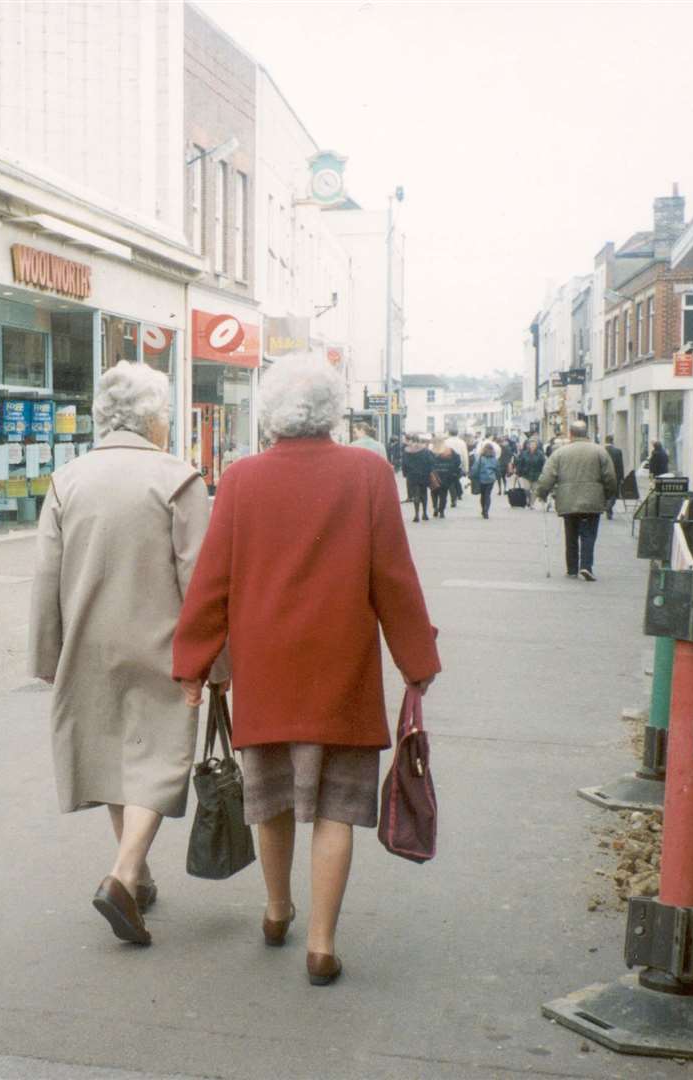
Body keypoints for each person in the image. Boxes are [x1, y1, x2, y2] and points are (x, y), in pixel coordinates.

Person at [173, 357, 441, 988]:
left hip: (267, 667)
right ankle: (321, 945)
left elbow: (212, 582)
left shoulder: (240, 480)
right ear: (334, 411)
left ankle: (275, 910)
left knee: (268, 800)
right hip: (341, 666)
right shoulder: (369, 474)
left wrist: (192, 665)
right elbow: (393, 579)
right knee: (335, 808)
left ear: (270, 415)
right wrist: (416, 663)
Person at [28, 362, 222, 947]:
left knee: (116, 755)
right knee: (159, 756)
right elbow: (203, 580)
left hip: (88, 641)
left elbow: (45, 575)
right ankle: (123, 873)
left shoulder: (68, 479)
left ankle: (135, 878)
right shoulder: (178, 479)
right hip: (162, 643)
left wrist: (46, 654)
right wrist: (217, 661)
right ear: (152, 419)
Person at [533, 420, 619, 582]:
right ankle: (586, 566)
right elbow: (610, 476)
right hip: (592, 500)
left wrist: (542, 493)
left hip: (568, 500)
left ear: (570, 434)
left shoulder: (560, 453)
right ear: (587, 433)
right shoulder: (599, 452)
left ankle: (572, 568)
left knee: (571, 534)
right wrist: (609, 495)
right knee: (588, 535)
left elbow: (548, 476)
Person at [400, 435, 435, 524]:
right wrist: (429, 471)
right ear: (419, 441)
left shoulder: (407, 451)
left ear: (411, 441)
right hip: (424, 474)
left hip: (412, 475)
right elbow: (431, 462)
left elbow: (404, 464)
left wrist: (405, 474)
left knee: (416, 494)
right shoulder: (425, 450)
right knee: (424, 493)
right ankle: (424, 513)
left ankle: (416, 514)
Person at [429, 438, 460, 519]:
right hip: (447, 474)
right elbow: (457, 461)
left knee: (434, 492)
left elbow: (427, 462)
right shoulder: (450, 451)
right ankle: (441, 511)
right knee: (444, 493)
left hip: (434, 475)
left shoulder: (431, 451)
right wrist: (453, 469)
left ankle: (435, 507)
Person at [470, 441, 501, 519]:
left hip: (481, 479)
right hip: (491, 479)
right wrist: (497, 477)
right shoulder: (495, 459)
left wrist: (471, 475)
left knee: (483, 495)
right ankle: (486, 510)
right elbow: (497, 469)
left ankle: (483, 509)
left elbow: (475, 468)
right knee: (488, 495)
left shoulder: (480, 458)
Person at [513, 437, 546, 506]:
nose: (532, 446)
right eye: (531, 444)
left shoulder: (540, 454)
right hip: (526, 474)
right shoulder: (524, 453)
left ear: (536, 445)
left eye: (534, 444)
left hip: (536, 474)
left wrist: (544, 473)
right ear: (528, 445)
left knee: (535, 490)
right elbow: (520, 463)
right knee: (527, 489)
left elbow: (544, 464)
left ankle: (531, 503)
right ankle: (528, 499)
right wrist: (517, 473)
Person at [443, 428, 469, 507]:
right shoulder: (462, 442)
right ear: (457, 433)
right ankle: (457, 496)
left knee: (449, 482)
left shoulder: (445, 442)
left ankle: (452, 498)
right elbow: (465, 455)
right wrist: (466, 468)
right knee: (456, 480)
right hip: (458, 464)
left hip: (446, 463)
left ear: (449, 433)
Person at [602, 436, 626, 521]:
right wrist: (622, 477)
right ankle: (609, 508)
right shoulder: (618, 451)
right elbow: (620, 465)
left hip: (603, 476)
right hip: (615, 477)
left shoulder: (601, 451)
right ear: (612, 441)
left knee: (605, 493)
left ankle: (607, 508)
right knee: (614, 494)